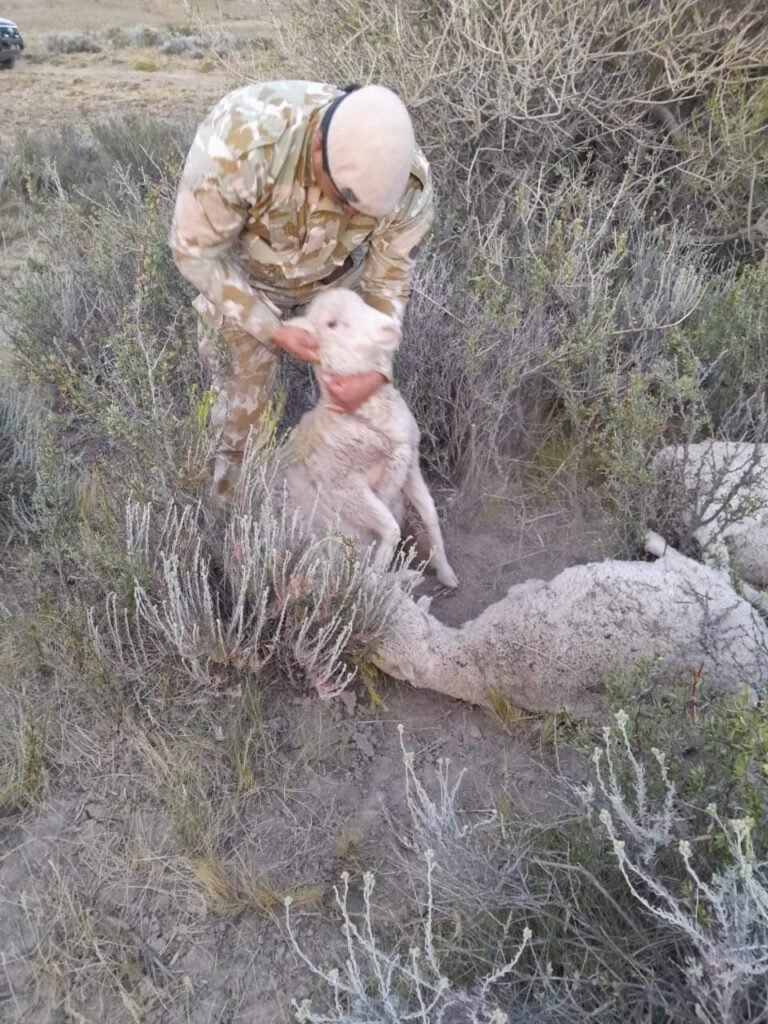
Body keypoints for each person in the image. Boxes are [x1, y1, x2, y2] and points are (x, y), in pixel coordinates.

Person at [170, 79, 433, 503]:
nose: (349, 214)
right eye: (345, 201)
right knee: (242, 413)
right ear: (316, 149)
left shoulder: (406, 181)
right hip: (247, 283)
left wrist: (376, 367)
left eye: (363, 212)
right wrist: (271, 329)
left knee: (367, 411)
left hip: (334, 286)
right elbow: (194, 252)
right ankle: (230, 520)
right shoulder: (242, 143)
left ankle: (351, 527)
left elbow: (388, 281)